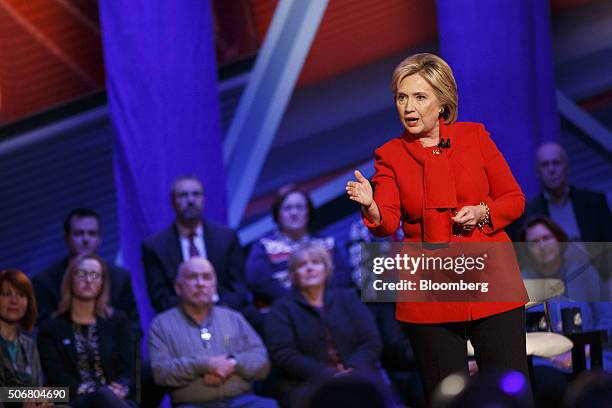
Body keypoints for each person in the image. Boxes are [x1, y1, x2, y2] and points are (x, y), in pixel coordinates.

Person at [346, 53, 530, 400]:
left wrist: (481, 213)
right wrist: (371, 205)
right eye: (402, 97)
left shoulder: (474, 137)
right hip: (430, 289)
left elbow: (513, 199)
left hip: (491, 282)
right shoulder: (391, 155)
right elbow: (386, 221)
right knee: (444, 397)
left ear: (442, 102)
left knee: (510, 393)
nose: (408, 107)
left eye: (419, 97)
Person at [265, 243, 382, 407]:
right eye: (302, 265)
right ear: (293, 274)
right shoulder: (281, 309)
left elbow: (371, 340)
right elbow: (282, 354)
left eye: (315, 262)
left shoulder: (348, 297)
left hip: (358, 375)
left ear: (326, 269)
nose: (309, 268)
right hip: (308, 384)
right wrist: (326, 373)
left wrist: (353, 369)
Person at [148, 257, 276, 408]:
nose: (200, 284)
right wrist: (205, 365)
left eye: (206, 277)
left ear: (214, 286)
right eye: (192, 277)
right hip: (192, 404)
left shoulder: (234, 318)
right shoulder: (161, 325)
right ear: (178, 287)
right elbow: (161, 372)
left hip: (242, 401)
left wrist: (231, 364)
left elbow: (261, 361)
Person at [37, 254, 135, 407]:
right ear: (70, 280)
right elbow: (56, 377)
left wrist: (121, 387)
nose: (88, 280)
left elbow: (128, 368)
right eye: (82, 274)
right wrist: (93, 391)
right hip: (76, 401)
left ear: (103, 283)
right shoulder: (51, 328)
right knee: (104, 396)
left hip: (114, 400)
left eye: (95, 275)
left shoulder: (117, 321)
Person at [142, 175, 249, 314]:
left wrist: (217, 312)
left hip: (225, 312)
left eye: (196, 194)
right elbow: (160, 297)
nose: (191, 200)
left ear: (203, 199)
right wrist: (194, 312)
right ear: (173, 202)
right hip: (180, 318)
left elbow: (238, 287)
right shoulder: (155, 246)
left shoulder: (227, 238)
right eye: (183, 195)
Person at [519, 215, 612, 372]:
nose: (542, 246)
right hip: (544, 362)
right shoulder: (523, 281)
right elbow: (521, 334)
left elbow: (608, 319)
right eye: (534, 242)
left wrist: (583, 351)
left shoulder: (584, 271)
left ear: (558, 240)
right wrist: (553, 358)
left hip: (590, 353)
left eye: (546, 238)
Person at [246, 185, 352, 309]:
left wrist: (318, 300)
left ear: (308, 212)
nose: (294, 213)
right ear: (277, 214)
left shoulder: (327, 243)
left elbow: (342, 275)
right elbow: (260, 282)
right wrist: (299, 303)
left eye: (300, 207)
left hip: (327, 307)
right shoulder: (263, 246)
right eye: (287, 208)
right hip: (282, 310)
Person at [32, 208, 139, 331]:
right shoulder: (44, 282)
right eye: (78, 233)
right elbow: (43, 331)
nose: (85, 239)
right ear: (66, 238)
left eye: (92, 234)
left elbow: (133, 328)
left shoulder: (120, 278)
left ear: (100, 240)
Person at [509, 142, 612, 243]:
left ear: (567, 167)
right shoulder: (529, 214)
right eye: (545, 164)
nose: (551, 169)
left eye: (556, 162)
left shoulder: (594, 202)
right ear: (537, 172)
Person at [0, 269, 52, 408]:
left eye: (21, 295)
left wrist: (45, 396)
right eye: (6, 294)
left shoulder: (29, 344)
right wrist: (24, 399)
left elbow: (37, 389)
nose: (14, 301)